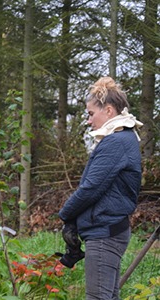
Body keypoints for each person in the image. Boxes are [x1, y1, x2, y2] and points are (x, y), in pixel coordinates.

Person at [59, 77, 141, 300]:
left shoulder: (116, 142)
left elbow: (91, 188)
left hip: (105, 232)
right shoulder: (122, 138)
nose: (88, 121)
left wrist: (65, 215)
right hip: (109, 228)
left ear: (108, 110)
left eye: (90, 114)